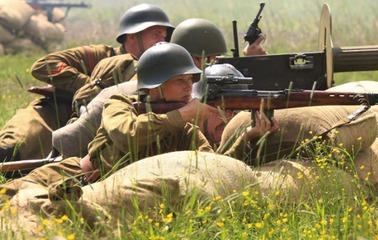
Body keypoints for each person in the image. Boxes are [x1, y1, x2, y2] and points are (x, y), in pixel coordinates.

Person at [1, 43, 278, 198]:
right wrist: (181, 115)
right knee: (9, 197)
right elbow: (126, 134)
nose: (187, 88)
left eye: (190, 80)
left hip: (107, 197)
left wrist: (247, 137)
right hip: (75, 175)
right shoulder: (120, 104)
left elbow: (211, 166)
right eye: (179, 81)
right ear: (155, 86)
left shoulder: (185, 128)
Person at [0, 3, 174, 162]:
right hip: (57, 112)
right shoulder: (99, 55)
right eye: (155, 34)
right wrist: (87, 86)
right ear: (131, 36)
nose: (162, 40)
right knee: (11, 147)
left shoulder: (157, 71)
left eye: (165, 36)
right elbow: (43, 65)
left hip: (105, 128)